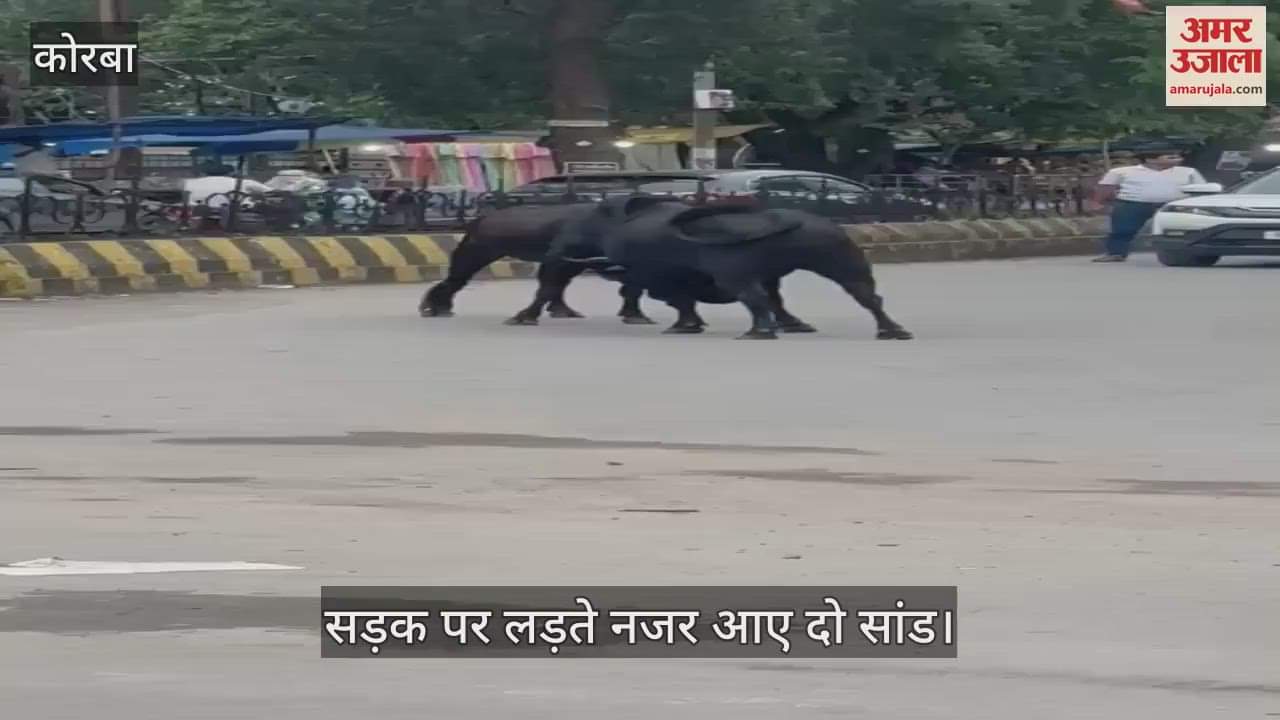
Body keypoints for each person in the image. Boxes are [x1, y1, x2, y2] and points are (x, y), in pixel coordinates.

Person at [1092, 151, 1207, 262]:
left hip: (1173, 205)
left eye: (1178, 157)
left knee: (1181, 229)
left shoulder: (1188, 171)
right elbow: (1106, 187)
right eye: (1171, 157)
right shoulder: (1121, 171)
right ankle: (1115, 253)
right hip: (1132, 203)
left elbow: (1202, 188)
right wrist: (1098, 202)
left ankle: (1188, 253)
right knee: (1123, 230)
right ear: (1150, 159)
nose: (1178, 159)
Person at [183, 162, 271, 209]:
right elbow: (272, 193)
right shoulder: (245, 182)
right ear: (231, 173)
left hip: (199, 219)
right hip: (240, 219)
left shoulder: (188, 183)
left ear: (202, 173)